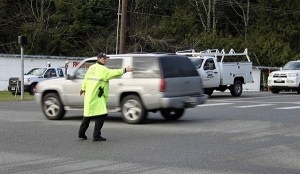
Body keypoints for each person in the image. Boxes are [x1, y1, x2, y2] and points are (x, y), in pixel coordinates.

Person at [78, 52, 133, 141]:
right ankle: (96, 135)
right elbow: (114, 73)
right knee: (102, 114)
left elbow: (86, 79)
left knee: (88, 115)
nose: (106, 60)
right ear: (99, 59)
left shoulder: (91, 68)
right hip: (98, 96)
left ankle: (81, 133)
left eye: (106, 58)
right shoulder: (103, 69)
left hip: (89, 95)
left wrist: (83, 89)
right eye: (104, 58)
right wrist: (125, 70)